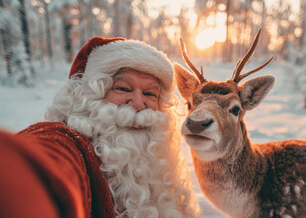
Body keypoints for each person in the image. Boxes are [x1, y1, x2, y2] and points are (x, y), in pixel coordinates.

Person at [0, 37, 199, 218]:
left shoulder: (163, 168)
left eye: (150, 94)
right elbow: (47, 161)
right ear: (90, 97)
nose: (139, 104)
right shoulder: (72, 143)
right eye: (122, 88)